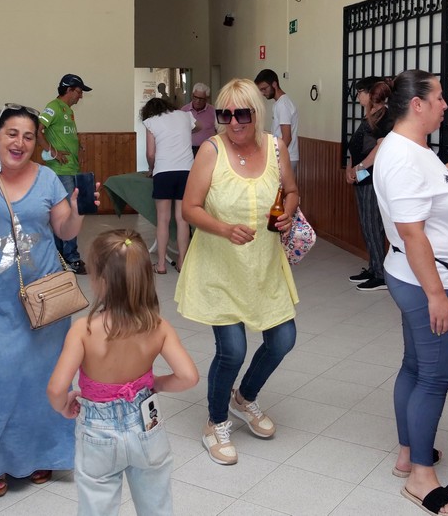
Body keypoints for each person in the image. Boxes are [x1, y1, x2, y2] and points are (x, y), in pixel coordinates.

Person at [0, 104, 97, 497]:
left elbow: (63, 228)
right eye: (12, 134)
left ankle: (41, 455)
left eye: (28, 136)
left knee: (42, 380)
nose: (20, 143)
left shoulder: (46, 179)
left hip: (43, 302)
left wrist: (78, 210)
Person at [175, 78, 299, 466]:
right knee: (232, 350)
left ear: (256, 114)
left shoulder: (276, 148)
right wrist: (225, 229)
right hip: (220, 265)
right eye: (225, 114)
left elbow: (291, 192)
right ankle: (215, 421)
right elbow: (190, 208)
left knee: (282, 340)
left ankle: (244, 397)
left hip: (264, 265)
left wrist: (289, 213)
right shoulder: (212, 150)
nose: (233, 121)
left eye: (241, 113)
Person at [372, 69, 448, 516]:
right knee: (435, 376)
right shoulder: (402, 156)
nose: (445, 105)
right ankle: (420, 477)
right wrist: (436, 295)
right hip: (429, 280)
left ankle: (408, 451)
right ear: (418, 105)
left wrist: (447, 177)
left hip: (420, 274)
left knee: (416, 366)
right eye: (439, 98)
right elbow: (413, 234)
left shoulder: (415, 150)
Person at [47, 229, 199, 516]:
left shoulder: (84, 329)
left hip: (97, 433)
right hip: (146, 426)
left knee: (96, 505)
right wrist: (154, 383)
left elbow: (56, 389)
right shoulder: (158, 326)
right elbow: (188, 376)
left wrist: (63, 406)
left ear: (101, 282)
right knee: (156, 504)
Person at [38, 73, 92, 274]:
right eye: (79, 92)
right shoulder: (53, 107)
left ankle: (60, 255)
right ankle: (72, 257)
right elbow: (39, 129)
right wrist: (53, 152)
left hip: (71, 169)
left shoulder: (68, 110)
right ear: (68, 90)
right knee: (70, 213)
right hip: (60, 171)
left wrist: (78, 143)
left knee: (65, 213)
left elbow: (62, 134)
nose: (81, 96)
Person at [345, 77, 394, 292]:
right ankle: (374, 267)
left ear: (370, 93)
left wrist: (359, 168)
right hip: (362, 174)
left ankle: (381, 274)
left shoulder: (386, 117)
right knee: (366, 223)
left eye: (360, 92)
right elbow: (356, 147)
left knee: (373, 223)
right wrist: (350, 168)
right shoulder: (369, 116)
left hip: (372, 175)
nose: (358, 97)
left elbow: (380, 149)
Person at [141, 96, 195, 274]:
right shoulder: (185, 116)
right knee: (182, 220)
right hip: (187, 172)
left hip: (163, 171)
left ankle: (162, 265)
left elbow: (150, 153)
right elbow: (200, 127)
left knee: (163, 220)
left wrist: (151, 168)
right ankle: (183, 262)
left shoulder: (151, 122)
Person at [254, 68, 299, 174]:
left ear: (274, 84)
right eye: (260, 90)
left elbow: (287, 137)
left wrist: (276, 157)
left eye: (264, 89)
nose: (262, 93)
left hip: (286, 156)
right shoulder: (279, 103)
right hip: (284, 155)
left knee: (281, 190)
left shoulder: (283, 105)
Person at [182, 82, 215, 156]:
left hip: (208, 150)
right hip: (188, 150)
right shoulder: (184, 111)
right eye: (195, 97)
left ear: (207, 99)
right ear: (192, 95)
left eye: (201, 99)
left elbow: (220, 131)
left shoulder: (213, 111)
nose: (197, 101)